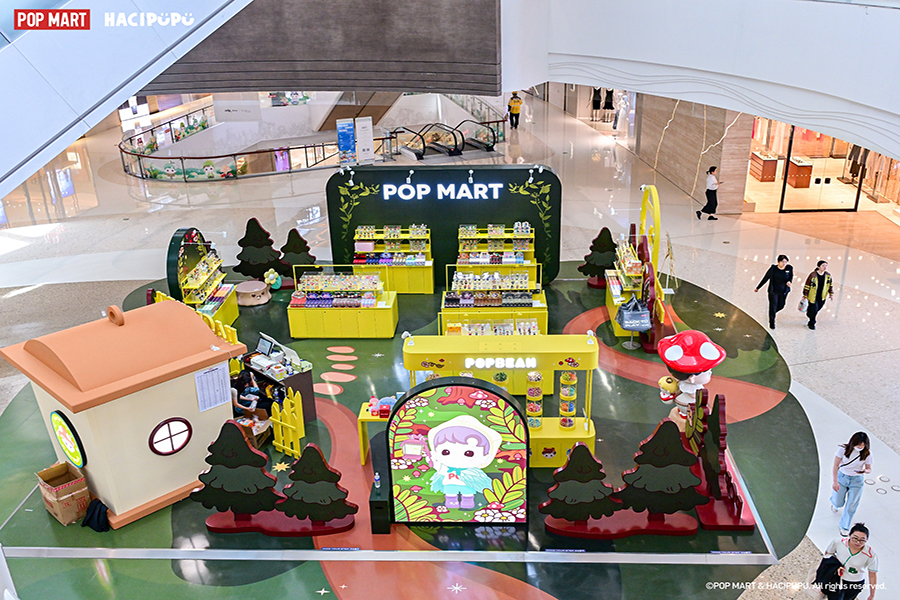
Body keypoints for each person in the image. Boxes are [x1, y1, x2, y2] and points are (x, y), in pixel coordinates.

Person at [831, 432, 872, 536]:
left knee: (852, 505)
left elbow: (869, 468)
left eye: (862, 446)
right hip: (842, 477)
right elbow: (835, 465)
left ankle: (844, 526)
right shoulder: (843, 450)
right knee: (838, 501)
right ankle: (835, 504)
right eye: (858, 445)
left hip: (857, 480)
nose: (860, 447)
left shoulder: (867, 453)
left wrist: (865, 471)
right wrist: (835, 481)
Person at [823, 523, 878, 600]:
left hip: (855, 584)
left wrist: (872, 595)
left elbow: (872, 575)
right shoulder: (838, 542)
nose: (858, 542)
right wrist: (835, 566)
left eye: (862, 540)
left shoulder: (870, 555)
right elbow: (828, 554)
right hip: (837, 579)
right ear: (849, 535)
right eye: (855, 538)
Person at [754, 254, 793, 329]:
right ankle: (772, 322)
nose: (784, 264)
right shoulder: (773, 269)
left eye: (786, 262)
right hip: (773, 291)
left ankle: (772, 313)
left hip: (783, 291)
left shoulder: (789, 268)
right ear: (778, 262)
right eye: (782, 262)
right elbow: (765, 278)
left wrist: (789, 281)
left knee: (781, 305)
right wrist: (758, 287)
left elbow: (791, 276)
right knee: (773, 306)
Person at [804, 260, 834, 330]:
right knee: (814, 310)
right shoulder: (813, 275)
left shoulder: (828, 275)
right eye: (823, 265)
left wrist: (831, 293)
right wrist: (805, 294)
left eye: (826, 266)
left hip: (822, 296)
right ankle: (811, 323)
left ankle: (809, 313)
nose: (825, 267)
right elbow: (807, 285)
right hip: (813, 296)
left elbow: (830, 285)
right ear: (818, 266)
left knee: (817, 308)